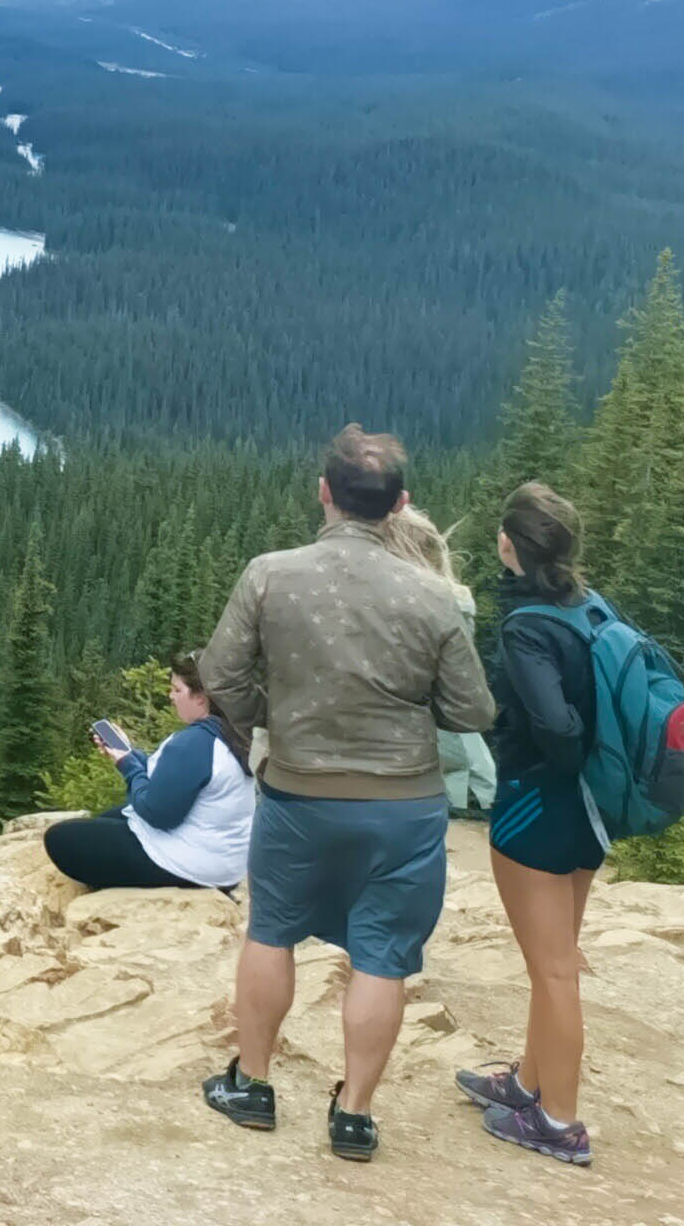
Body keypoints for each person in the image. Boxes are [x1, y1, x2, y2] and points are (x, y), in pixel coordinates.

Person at [195, 427, 497, 1164]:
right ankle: (355, 1117)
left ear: (323, 492)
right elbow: (472, 713)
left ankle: (254, 1087)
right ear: (399, 505)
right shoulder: (431, 596)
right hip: (403, 805)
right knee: (384, 955)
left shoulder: (270, 573)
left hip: (300, 793)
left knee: (271, 930)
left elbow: (219, 674)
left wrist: (278, 715)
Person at [460, 482, 605, 1167]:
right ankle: (528, 1081)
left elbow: (552, 722)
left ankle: (559, 1122)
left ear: (509, 544)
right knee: (554, 958)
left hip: (536, 807)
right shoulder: (588, 608)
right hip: (585, 810)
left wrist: (557, 751)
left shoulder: (526, 625)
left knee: (553, 970)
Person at [42, 655, 250, 893]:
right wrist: (129, 753)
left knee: (61, 839)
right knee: (107, 819)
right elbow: (177, 779)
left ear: (201, 698)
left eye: (177, 689)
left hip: (194, 866)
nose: (170, 696)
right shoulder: (232, 733)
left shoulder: (194, 743)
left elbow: (156, 814)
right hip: (225, 862)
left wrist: (128, 766)